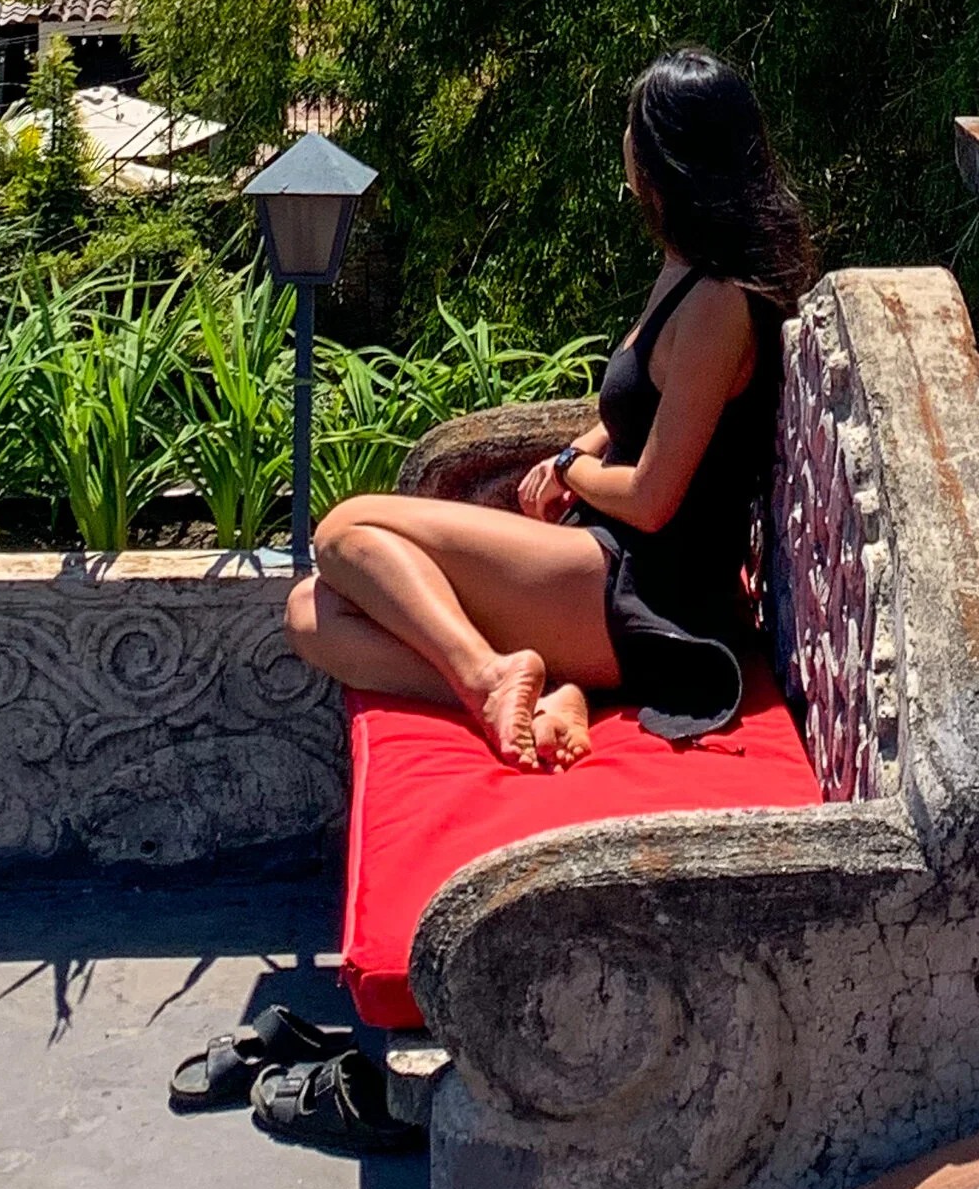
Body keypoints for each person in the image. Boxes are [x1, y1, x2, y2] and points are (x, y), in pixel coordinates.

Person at [286, 48, 813, 767]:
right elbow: (663, 407)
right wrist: (595, 441)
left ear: (657, 161)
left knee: (346, 532)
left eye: (633, 129)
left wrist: (571, 467)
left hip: (650, 591)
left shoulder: (718, 302)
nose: (624, 144)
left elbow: (654, 498)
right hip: (606, 565)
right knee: (314, 616)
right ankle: (533, 698)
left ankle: (493, 676)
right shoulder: (684, 273)